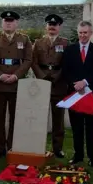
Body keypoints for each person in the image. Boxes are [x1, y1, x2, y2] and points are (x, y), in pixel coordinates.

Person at [0, 11, 33, 159]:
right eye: (6, 21)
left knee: (15, 118)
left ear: (16, 23)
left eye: (11, 21)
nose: (8, 23)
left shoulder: (24, 39)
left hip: (16, 85)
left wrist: (16, 75)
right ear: (2, 23)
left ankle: (13, 146)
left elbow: (28, 60)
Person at [62, 20, 93, 167]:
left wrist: (84, 82)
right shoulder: (70, 49)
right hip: (74, 94)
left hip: (91, 94)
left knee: (92, 127)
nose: (82, 35)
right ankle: (78, 155)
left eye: (85, 32)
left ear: (91, 33)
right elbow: (65, 70)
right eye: (80, 32)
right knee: (77, 127)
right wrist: (75, 83)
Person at [31, 14, 69, 158]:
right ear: (46, 26)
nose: (52, 27)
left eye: (55, 24)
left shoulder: (66, 43)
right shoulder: (38, 43)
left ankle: (57, 148)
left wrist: (56, 77)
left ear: (59, 27)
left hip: (58, 84)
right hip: (42, 83)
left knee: (58, 119)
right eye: (49, 24)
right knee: (39, 117)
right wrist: (42, 76)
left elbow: (67, 63)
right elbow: (33, 62)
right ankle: (38, 146)